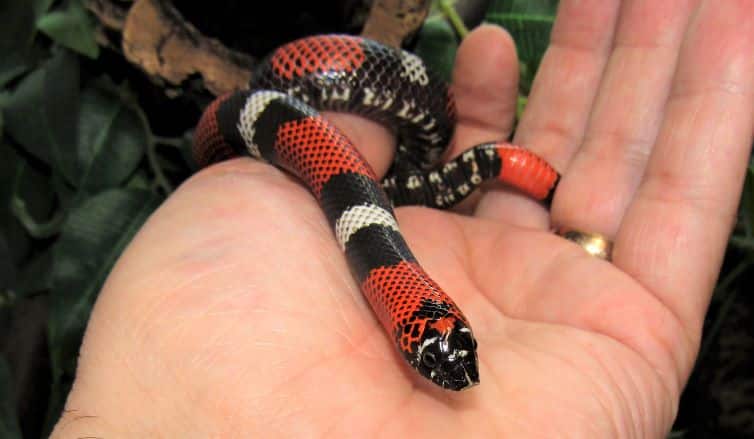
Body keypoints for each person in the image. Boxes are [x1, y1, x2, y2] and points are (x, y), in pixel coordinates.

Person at [52, 1, 754, 437]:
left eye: (444, 346)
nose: (456, 367)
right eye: (439, 348)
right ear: (408, 324)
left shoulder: (391, 258)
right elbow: (242, 135)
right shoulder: (373, 246)